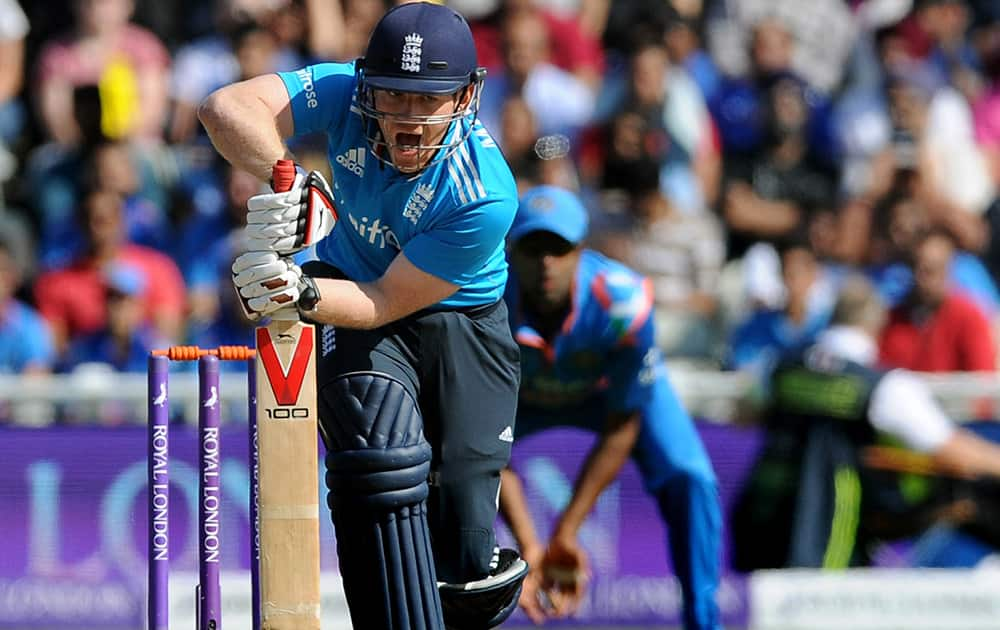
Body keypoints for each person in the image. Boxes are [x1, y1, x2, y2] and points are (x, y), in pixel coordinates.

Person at [198, 3, 527, 629]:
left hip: (460, 321)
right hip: (347, 281)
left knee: (461, 544)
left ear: (466, 95)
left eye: (426, 100)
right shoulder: (344, 93)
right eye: (392, 96)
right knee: (377, 460)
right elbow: (223, 108)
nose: (406, 118)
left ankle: (467, 587)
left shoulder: (485, 193)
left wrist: (296, 291)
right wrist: (289, 178)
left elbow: (386, 304)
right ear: (366, 83)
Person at [500, 186, 723, 630]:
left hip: (607, 396)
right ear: (511, 252)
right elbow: (481, 445)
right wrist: (530, 545)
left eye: (558, 248)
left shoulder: (624, 304)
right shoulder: (485, 306)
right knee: (447, 459)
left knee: (691, 477)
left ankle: (704, 622)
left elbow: (623, 427)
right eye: (532, 247)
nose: (545, 262)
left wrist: (566, 530)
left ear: (581, 251)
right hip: (526, 399)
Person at [733, 276, 1000, 571]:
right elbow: (952, 451)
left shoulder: (777, 366)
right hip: (831, 537)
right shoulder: (884, 386)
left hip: (762, 530)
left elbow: (744, 416)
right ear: (877, 324)